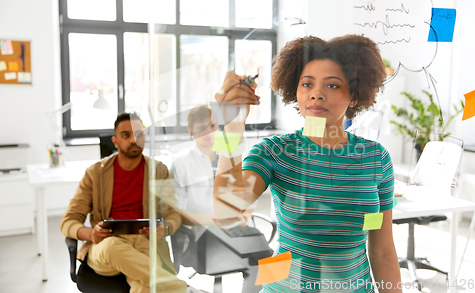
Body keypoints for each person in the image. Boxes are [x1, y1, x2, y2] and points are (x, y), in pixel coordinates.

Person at [213, 35, 402, 292]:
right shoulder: (275, 152)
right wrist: (232, 127)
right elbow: (225, 211)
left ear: (355, 96)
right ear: (296, 92)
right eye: (307, 84)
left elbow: (381, 251)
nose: (316, 94)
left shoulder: (375, 157)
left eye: (332, 85)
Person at [60, 112, 196, 293]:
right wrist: (91, 233)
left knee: (144, 287)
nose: (134, 139)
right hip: (106, 248)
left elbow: (172, 213)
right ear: (115, 141)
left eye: (139, 134)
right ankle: (182, 289)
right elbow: (68, 221)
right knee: (112, 247)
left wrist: (165, 228)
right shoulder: (95, 173)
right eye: (126, 135)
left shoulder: (159, 170)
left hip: (145, 244)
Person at [169, 104, 272, 293]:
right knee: (261, 258)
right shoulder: (182, 163)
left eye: (212, 126)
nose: (209, 133)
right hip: (200, 235)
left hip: (232, 230)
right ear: (190, 130)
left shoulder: (228, 155)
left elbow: (243, 196)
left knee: (268, 260)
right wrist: (214, 220)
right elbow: (176, 212)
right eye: (201, 129)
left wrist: (242, 212)